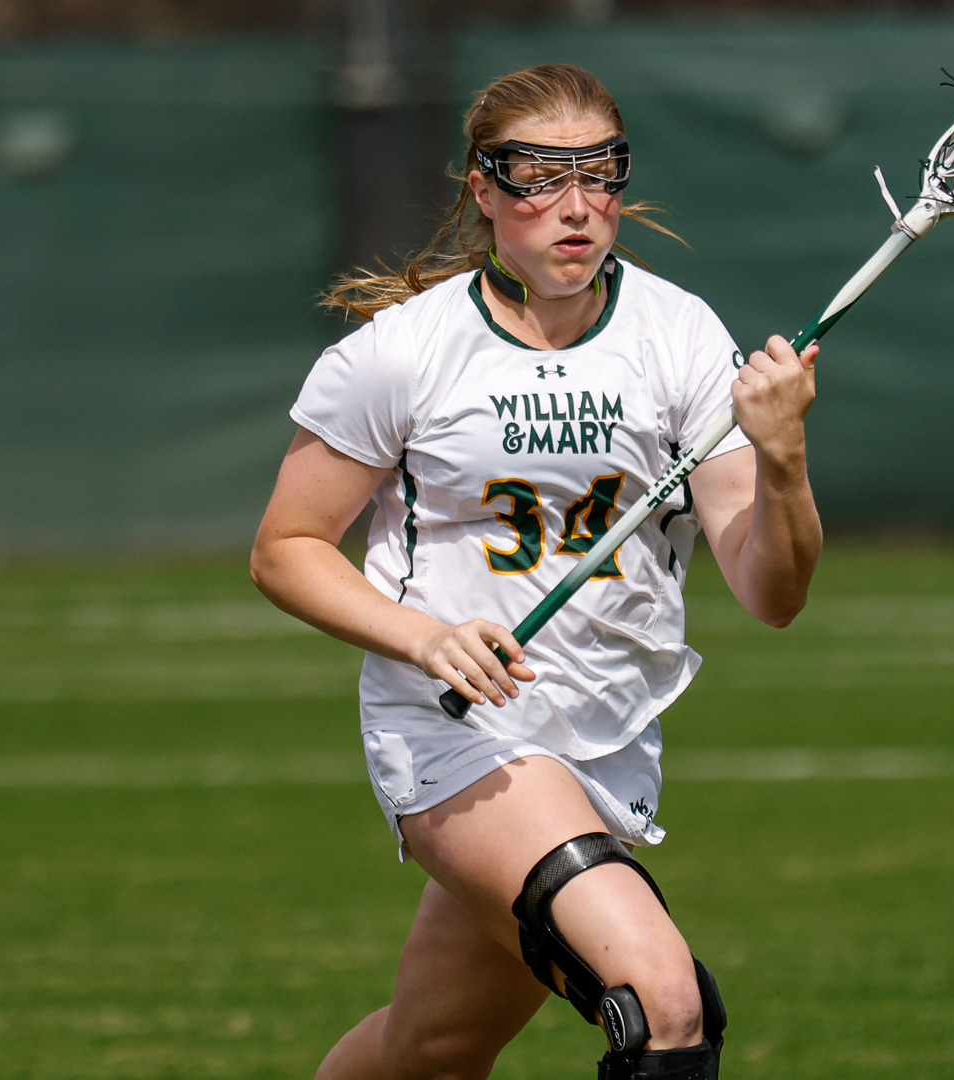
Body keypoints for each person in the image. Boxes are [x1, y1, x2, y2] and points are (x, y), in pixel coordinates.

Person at [251, 63, 821, 1080]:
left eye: (600, 173)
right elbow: (285, 548)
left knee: (433, 1049)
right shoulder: (406, 352)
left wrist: (783, 461)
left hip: (605, 738)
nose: (576, 205)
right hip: (456, 729)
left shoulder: (679, 335)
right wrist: (427, 637)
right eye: (539, 177)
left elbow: (771, 594)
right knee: (665, 1001)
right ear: (483, 188)